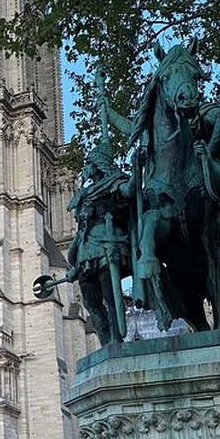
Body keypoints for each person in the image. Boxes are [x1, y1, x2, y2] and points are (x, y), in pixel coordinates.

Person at [65, 142, 132, 344]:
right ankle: (106, 342)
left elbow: (129, 192)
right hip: (87, 249)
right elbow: (80, 230)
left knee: (111, 297)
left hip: (107, 243)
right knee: (90, 301)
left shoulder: (114, 185)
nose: (84, 168)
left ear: (97, 165)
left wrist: (136, 168)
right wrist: (74, 263)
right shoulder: (83, 195)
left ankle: (116, 340)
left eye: (88, 164)